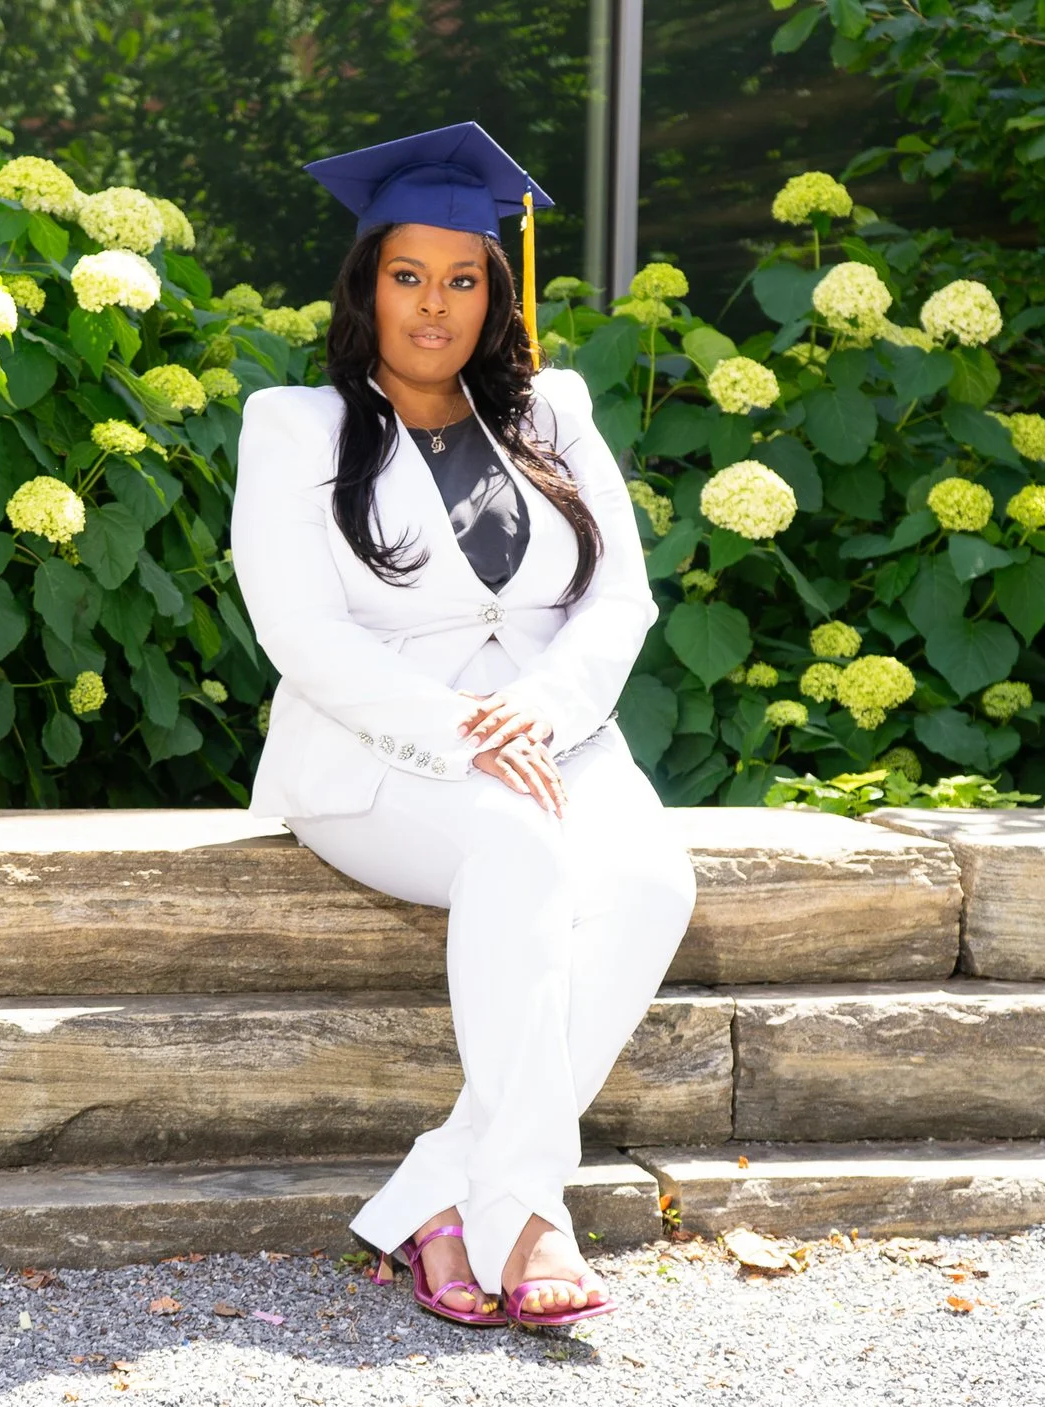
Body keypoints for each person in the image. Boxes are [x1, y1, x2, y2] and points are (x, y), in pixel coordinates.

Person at [228, 123, 697, 1329]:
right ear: (364, 286)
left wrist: (534, 715)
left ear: (495, 294)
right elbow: (302, 634)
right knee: (520, 850)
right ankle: (528, 1217)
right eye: (406, 276)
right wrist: (462, 732)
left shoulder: (555, 410)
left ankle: (442, 1197)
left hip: (557, 739)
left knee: (650, 886)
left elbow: (620, 596)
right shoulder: (294, 427)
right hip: (381, 765)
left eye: (462, 279)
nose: (433, 307)